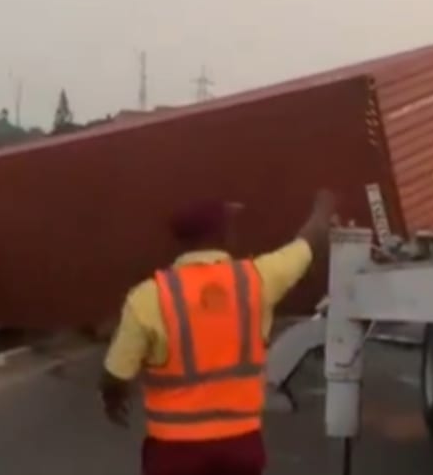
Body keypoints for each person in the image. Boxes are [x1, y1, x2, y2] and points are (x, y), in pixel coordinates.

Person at [100, 189, 338, 475]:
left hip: (173, 452)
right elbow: (309, 242)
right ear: (221, 234)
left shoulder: (149, 297)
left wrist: (113, 400)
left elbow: (116, 374)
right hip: (239, 447)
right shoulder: (256, 280)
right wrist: (323, 206)